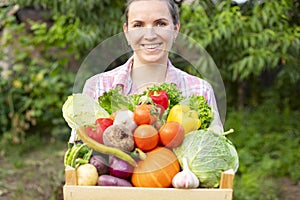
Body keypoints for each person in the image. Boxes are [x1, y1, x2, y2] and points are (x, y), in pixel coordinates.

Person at [70, 0, 223, 142]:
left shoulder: (200, 90)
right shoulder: (97, 86)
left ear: (175, 30)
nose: (150, 35)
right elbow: (78, 156)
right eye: (138, 25)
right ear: (127, 32)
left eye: (160, 23)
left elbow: (218, 153)